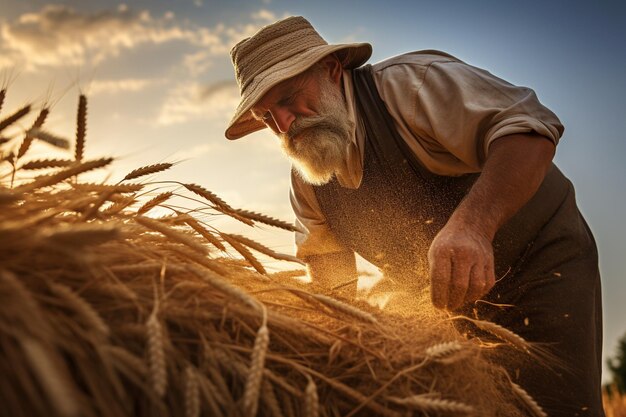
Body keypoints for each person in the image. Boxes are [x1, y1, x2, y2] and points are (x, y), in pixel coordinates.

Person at [225, 15, 604, 417]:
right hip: (449, 306)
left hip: (541, 264)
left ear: (332, 70)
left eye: (287, 99)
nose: (284, 125)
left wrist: (473, 228)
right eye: (267, 117)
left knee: (557, 406)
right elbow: (331, 276)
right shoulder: (308, 182)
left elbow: (531, 131)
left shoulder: (409, 87)